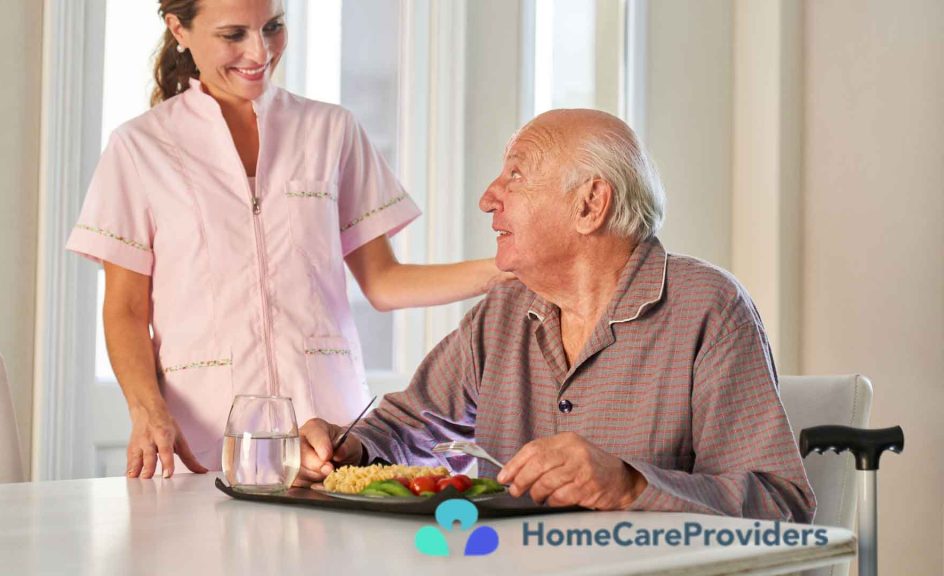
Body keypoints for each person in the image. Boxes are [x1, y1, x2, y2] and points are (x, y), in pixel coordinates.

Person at [298, 109, 818, 522]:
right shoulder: (502, 312)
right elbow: (408, 426)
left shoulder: (709, 308)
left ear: (590, 204)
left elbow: (782, 504)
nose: (488, 199)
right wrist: (350, 449)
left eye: (516, 175)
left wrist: (630, 485)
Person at [66, 0, 509, 479]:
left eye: (273, 27)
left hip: (327, 431)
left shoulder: (330, 131)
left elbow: (384, 282)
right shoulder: (140, 147)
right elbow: (126, 310)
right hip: (203, 436)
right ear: (179, 29)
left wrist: (507, 269)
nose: (260, 52)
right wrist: (147, 410)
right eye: (233, 34)